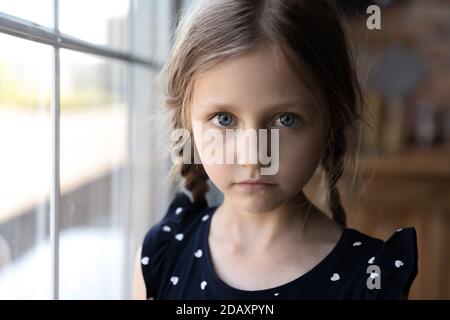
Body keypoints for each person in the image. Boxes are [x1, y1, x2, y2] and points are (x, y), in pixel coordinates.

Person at [133, 0, 418, 300]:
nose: (254, 157)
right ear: (186, 121)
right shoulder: (161, 257)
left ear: (334, 118)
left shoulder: (370, 280)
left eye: (286, 119)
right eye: (224, 119)